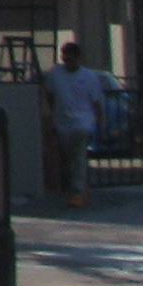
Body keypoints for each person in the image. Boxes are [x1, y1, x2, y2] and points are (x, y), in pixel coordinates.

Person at [39, 37, 117, 209]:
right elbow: (49, 95)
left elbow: (97, 103)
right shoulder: (56, 74)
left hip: (82, 123)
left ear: (77, 58)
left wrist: (101, 126)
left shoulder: (88, 77)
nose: (67, 62)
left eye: (70, 58)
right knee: (69, 158)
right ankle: (74, 188)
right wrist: (52, 117)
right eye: (64, 58)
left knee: (78, 156)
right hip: (63, 123)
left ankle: (78, 192)